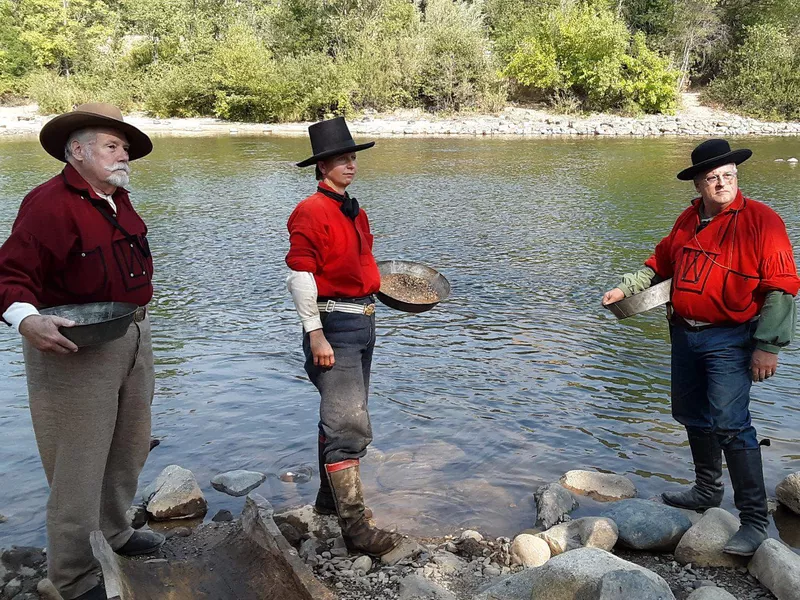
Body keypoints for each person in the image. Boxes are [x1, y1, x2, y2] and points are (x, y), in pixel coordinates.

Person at [602, 139, 799, 556]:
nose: (722, 183)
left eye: (729, 175)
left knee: (731, 423)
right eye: (712, 178)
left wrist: (769, 346)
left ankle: (754, 521)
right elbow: (659, 264)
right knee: (691, 413)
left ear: (736, 177)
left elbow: (781, 288)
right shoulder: (688, 220)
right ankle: (707, 491)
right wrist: (626, 287)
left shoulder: (764, 221)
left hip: (732, 337)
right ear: (698, 183)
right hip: (685, 333)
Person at [0, 103, 164, 600]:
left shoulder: (118, 199)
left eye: (125, 148)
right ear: (77, 151)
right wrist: (27, 319)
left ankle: (113, 533)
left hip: (133, 335)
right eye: (112, 146)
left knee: (129, 443)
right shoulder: (48, 203)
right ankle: (71, 576)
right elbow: (10, 276)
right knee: (77, 461)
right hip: (74, 346)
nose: (124, 155)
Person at [285, 117, 410, 560]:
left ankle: (325, 501)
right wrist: (315, 334)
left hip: (362, 323)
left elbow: (359, 270)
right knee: (348, 425)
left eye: (353, 157)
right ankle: (357, 530)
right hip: (334, 326)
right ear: (322, 167)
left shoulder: (352, 208)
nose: (351, 165)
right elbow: (300, 275)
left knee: (340, 416)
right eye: (341, 159)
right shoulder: (311, 210)